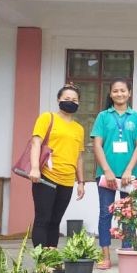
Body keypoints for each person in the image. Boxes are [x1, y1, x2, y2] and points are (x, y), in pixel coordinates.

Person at [91, 78, 137, 269]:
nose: (119, 94)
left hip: (129, 175)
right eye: (115, 91)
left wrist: (129, 170)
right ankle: (105, 255)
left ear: (129, 93)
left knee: (129, 214)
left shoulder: (136, 117)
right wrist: (106, 170)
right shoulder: (103, 116)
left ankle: (127, 252)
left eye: (123, 90)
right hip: (106, 174)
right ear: (110, 94)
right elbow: (96, 144)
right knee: (105, 213)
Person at [28, 83, 85, 248]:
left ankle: (51, 258)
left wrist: (80, 182)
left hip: (67, 180)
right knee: (43, 219)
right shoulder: (47, 117)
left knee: (55, 221)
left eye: (74, 100)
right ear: (58, 99)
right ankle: (42, 261)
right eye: (67, 98)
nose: (70, 101)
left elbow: (79, 156)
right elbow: (36, 143)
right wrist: (34, 168)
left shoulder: (79, 128)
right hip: (46, 177)